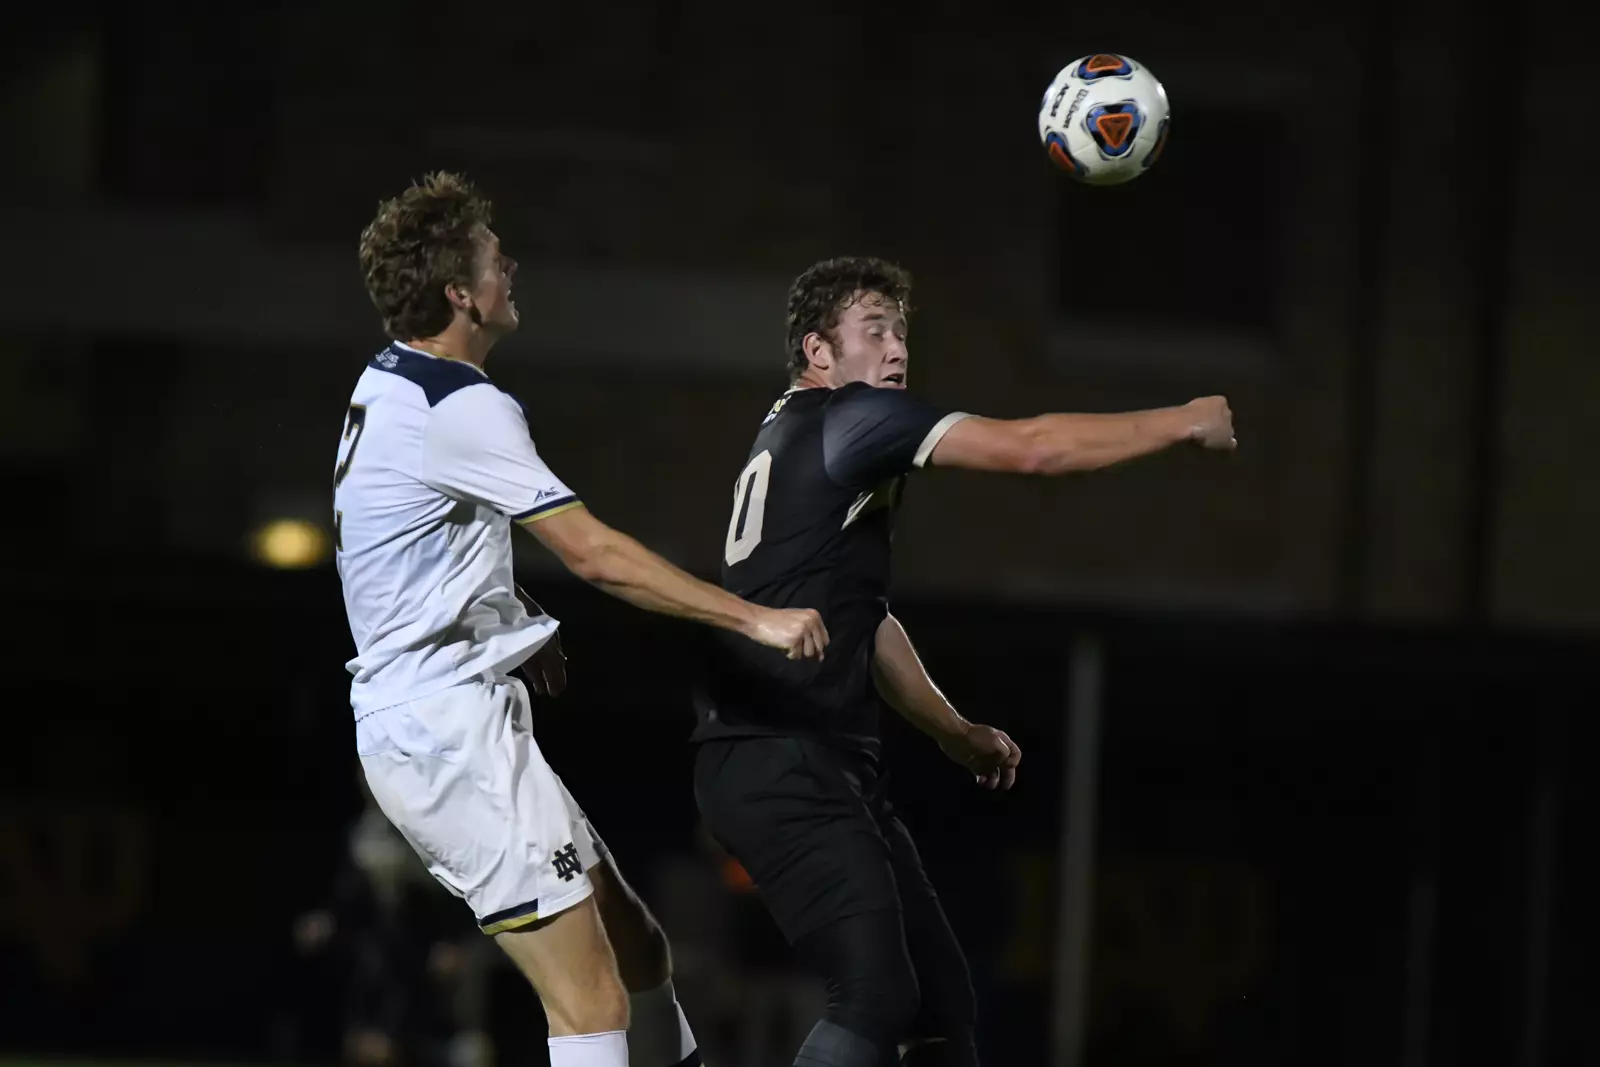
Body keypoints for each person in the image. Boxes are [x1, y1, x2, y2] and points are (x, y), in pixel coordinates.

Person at [690, 256, 1237, 1067]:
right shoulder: (852, 420)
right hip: (777, 756)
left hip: (810, 760)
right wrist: (1182, 419)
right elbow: (1033, 450)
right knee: (875, 995)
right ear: (818, 352)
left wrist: (951, 730)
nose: (897, 349)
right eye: (874, 330)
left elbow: (865, 622)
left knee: (940, 1005)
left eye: (902, 332)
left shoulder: (803, 434)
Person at [337, 170, 830, 1067]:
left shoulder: (391, 383)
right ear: (461, 292)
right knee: (589, 996)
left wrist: (511, 610)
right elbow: (595, 553)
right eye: (495, 256)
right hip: (448, 734)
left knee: (639, 948)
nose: (510, 265)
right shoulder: (462, 404)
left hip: (453, 718)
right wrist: (750, 618)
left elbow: (399, 542)